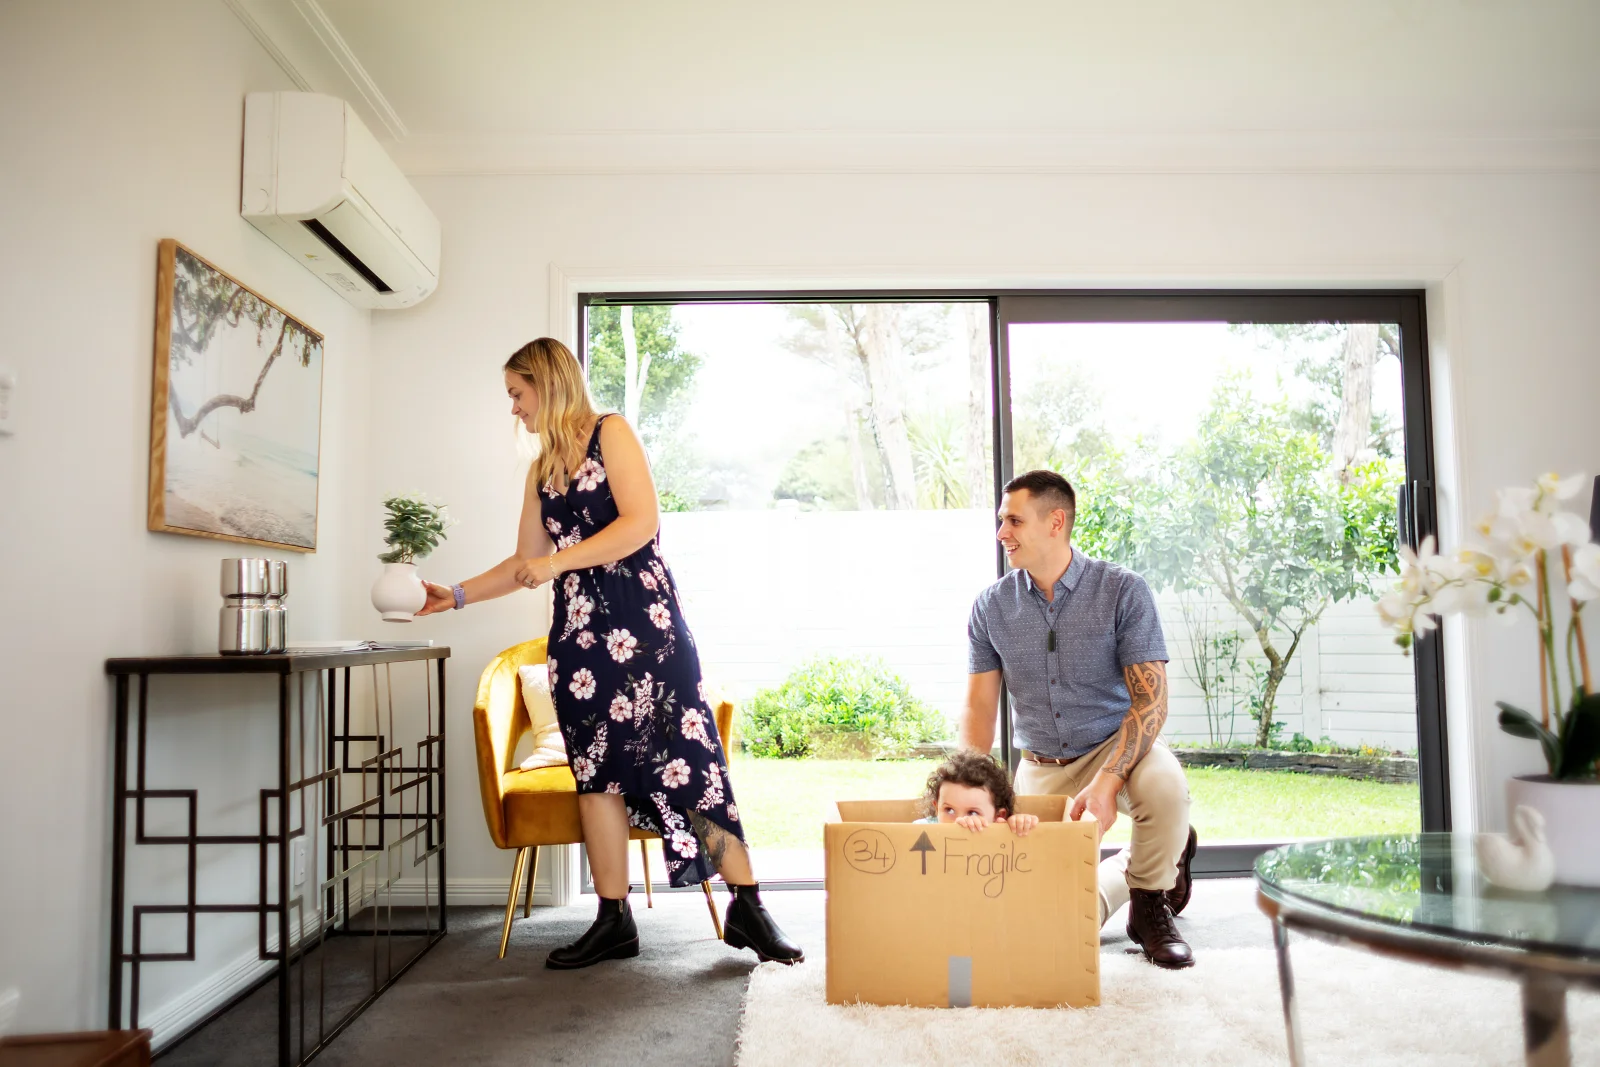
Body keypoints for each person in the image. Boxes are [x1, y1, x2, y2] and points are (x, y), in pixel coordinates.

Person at [417, 338, 803, 970]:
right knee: (596, 774)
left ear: (546, 382)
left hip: (648, 629)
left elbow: (639, 523)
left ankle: (749, 906)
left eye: (517, 393)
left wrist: (555, 562)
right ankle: (613, 920)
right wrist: (454, 595)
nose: (513, 408)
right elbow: (523, 563)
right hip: (580, 641)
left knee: (690, 763)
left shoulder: (611, 432)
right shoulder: (541, 469)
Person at [960, 469, 1199, 969]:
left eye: (1013, 520)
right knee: (1046, 924)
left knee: (1167, 789)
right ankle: (1156, 861)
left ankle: (1151, 906)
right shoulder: (991, 607)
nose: (1002, 533)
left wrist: (1110, 780)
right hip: (1042, 764)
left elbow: (1150, 702)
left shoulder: (1123, 591)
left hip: (1120, 748)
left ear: (1056, 522)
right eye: (1002, 521)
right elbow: (981, 707)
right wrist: (967, 788)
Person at [916, 750, 1039, 837]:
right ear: (936, 808)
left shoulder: (1000, 830)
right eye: (949, 810)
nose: (959, 821)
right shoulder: (924, 829)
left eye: (973, 813)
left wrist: (1018, 825)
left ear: (998, 816)